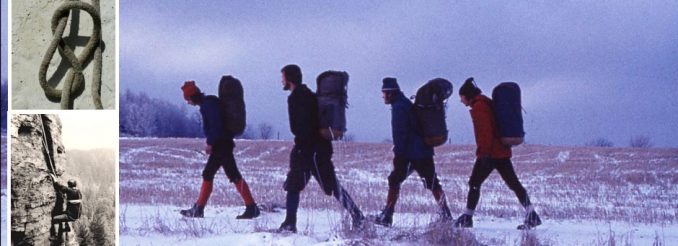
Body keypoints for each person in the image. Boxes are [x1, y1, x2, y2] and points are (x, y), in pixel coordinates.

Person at [277, 64, 365, 233]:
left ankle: (289, 223)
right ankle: (357, 216)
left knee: (297, 185)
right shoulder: (309, 94)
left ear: (289, 78)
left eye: (283, 77)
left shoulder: (296, 97)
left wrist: (303, 145)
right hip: (319, 149)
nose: (281, 80)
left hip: (308, 150)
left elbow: (299, 127)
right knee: (330, 185)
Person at [453, 78, 541, 230]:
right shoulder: (486, 103)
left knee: (474, 183)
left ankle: (467, 217)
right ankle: (532, 214)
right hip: (501, 152)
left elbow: (485, 132)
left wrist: (484, 154)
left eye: (461, 97)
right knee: (514, 183)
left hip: (490, 153)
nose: (461, 100)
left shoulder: (479, 107)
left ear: (467, 95)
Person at [374, 77, 452, 227]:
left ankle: (387, 216)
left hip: (410, 153)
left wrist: (398, 154)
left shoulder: (398, 107)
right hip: (424, 151)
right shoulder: (405, 103)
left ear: (390, 93)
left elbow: (400, 133)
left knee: (394, 180)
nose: (383, 96)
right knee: (433, 182)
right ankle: (446, 215)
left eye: (384, 93)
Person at [179, 80, 260, 219]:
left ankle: (199, 209)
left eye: (187, 99)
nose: (188, 102)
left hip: (221, 145)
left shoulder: (207, 105)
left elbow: (216, 126)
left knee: (210, 173)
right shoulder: (209, 102)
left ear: (192, 96)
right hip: (223, 144)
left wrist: (210, 143)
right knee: (231, 174)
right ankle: (251, 207)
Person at [49, 175, 81, 240]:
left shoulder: (69, 190)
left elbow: (59, 186)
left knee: (55, 219)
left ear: (69, 186)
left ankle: (55, 236)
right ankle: (67, 227)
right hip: (77, 215)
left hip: (71, 216)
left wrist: (54, 178)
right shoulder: (78, 191)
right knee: (61, 213)